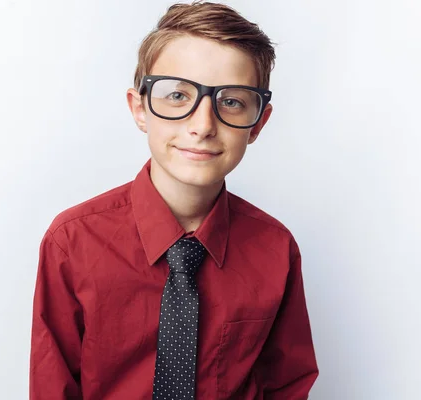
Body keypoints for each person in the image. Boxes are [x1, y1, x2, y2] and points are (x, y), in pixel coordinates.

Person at [29, 1, 319, 399]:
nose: (202, 126)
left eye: (231, 101)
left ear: (257, 123)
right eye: (178, 95)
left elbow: (287, 384)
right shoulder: (73, 241)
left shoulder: (275, 249)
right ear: (140, 108)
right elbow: (52, 386)